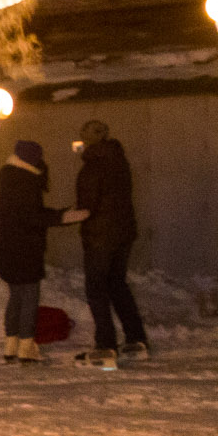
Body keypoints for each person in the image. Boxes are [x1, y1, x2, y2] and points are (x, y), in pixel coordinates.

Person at [0, 139, 85, 366]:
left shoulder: (9, 178)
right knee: (29, 298)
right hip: (26, 249)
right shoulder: (26, 181)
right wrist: (63, 217)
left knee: (15, 297)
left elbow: (25, 214)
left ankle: (11, 345)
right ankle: (26, 347)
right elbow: (33, 216)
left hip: (8, 249)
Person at [71, 120, 147, 368]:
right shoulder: (119, 161)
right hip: (124, 232)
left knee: (96, 288)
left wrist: (71, 214)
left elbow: (87, 205)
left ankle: (105, 347)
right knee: (117, 284)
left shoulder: (93, 167)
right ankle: (136, 339)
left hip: (100, 235)